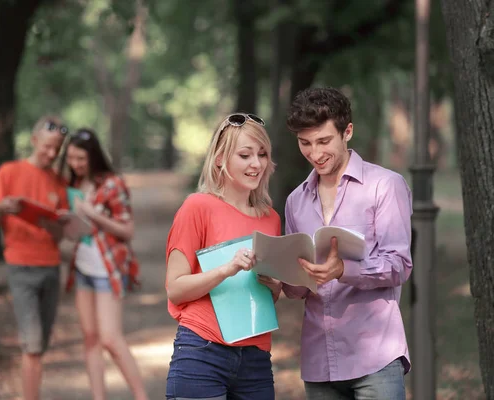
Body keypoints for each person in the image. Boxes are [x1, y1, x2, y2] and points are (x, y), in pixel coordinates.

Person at [281, 87, 413, 399]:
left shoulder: (384, 186)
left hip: (375, 358)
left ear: (347, 132)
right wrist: (284, 274)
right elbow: (297, 289)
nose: (315, 153)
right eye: (305, 143)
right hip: (319, 363)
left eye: (324, 141)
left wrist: (343, 269)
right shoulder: (295, 201)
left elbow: (399, 265)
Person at [165, 113, 283, 400]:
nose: (256, 164)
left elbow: (269, 295)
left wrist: (274, 284)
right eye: (245, 155)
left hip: (255, 361)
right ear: (219, 159)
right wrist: (225, 269)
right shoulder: (198, 207)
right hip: (202, 353)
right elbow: (175, 289)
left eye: (262, 154)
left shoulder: (271, 219)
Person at [58, 127, 148, 400]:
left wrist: (91, 214)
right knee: (90, 338)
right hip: (83, 268)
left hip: (108, 269)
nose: (75, 164)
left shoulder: (112, 184)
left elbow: (127, 230)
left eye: (81, 159)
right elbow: (75, 231)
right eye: (71, 158)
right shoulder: (72, 186)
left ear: (93, 157)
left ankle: (141, 395)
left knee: (110, 338)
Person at [0, 115, 70, 400]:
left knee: (41, 345)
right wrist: (2, 210)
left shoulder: (58, 182)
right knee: (32, 346)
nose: (51, 153)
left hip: (50, 267)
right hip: (20, 265)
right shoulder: (9, 172)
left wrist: (56, 225)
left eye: (56, 148)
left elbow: (61, 235)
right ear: (34, 141)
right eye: (47, 146)